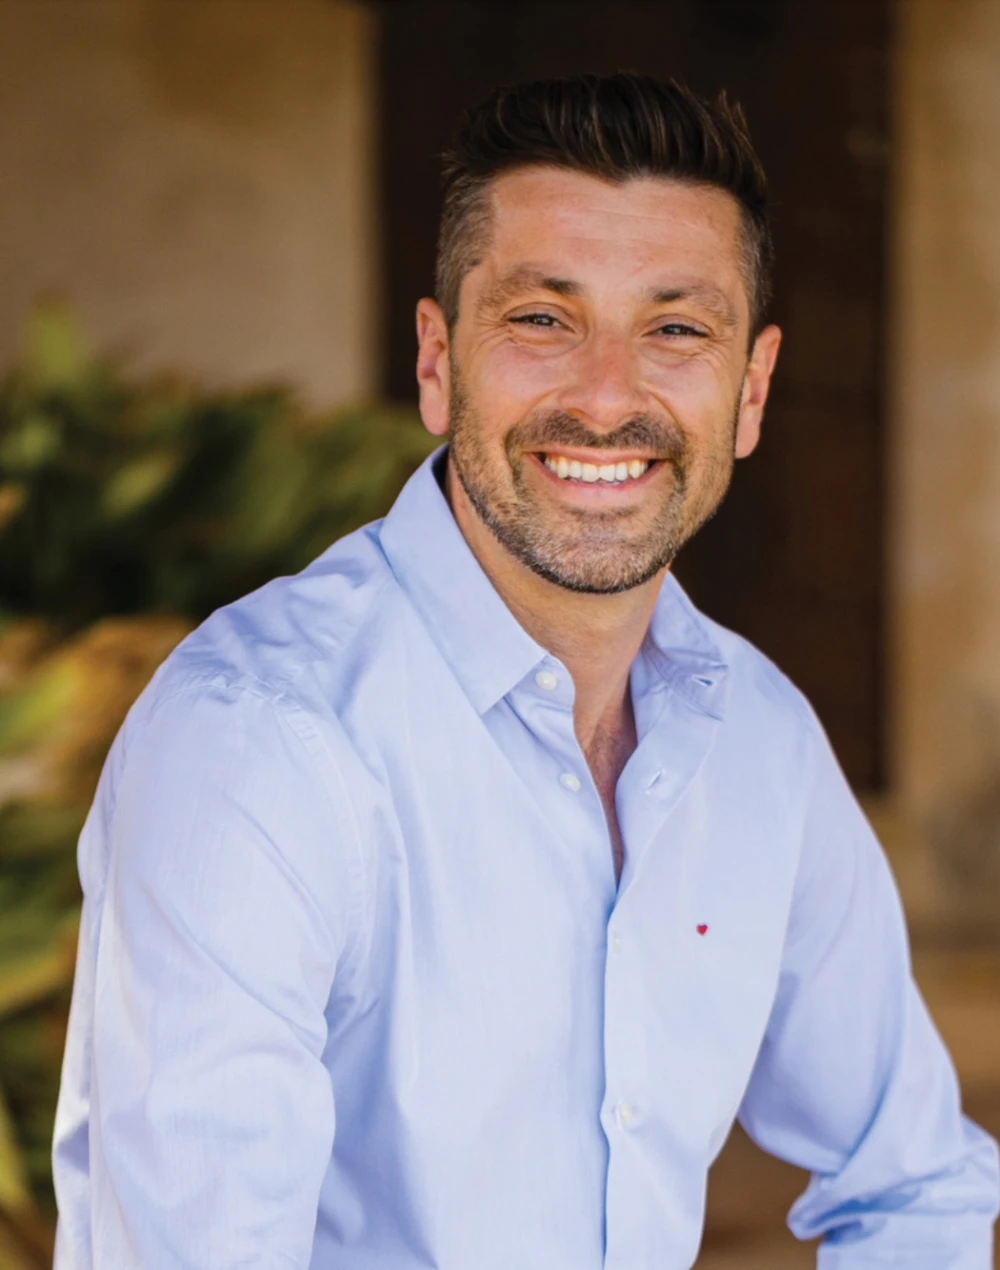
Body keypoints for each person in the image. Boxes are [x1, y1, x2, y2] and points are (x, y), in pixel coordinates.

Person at [52, 73, 998, 1269]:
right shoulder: (257, 743)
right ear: (438, 361)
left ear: (749, 392)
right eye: (543, 319)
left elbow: (911, 1179)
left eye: (674, 329)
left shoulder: (756, 740)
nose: (606, 398)